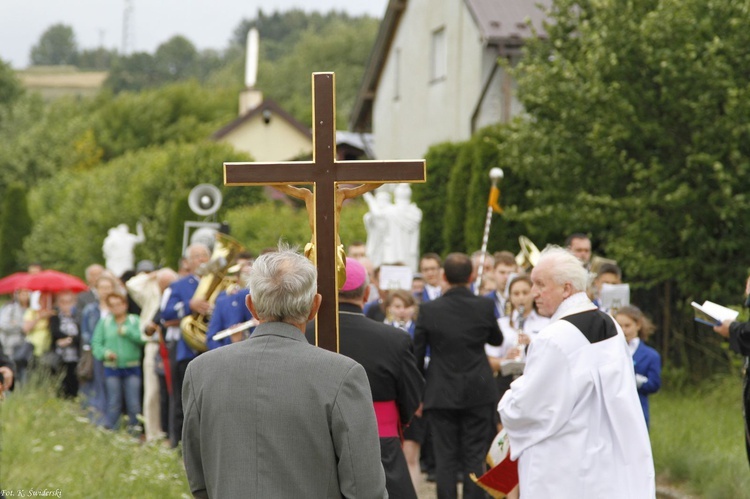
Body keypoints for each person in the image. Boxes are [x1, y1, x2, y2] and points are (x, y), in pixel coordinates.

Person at [182, 247, 387, 498]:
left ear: (251, 306)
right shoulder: (342, 374)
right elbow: (365, 487)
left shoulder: (201, 371)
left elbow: (198, 476)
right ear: (315, 307)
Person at [498, 246, 655, 498]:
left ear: (566, 288)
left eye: (540, 284)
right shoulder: (609, 323)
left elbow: (528, 409)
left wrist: (507, 400)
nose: (533, 293)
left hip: (562, 464)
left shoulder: (553, 338)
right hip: (606, 453)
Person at [306, 259, 423, 498]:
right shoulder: (395, 339)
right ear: (367, 293)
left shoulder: (305, 333)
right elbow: (412, 395)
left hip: (315, 444)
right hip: (380, 444)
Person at [414, 252, 503, 499]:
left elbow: (418, 355)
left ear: (443, 276)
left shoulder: (429, 309)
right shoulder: (484, 305)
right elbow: (497, 339)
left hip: (440, 391)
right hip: (478, 389)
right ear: (472, 276)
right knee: (475, 456)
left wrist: (418, 393)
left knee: (446, 459)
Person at [161, 243, 211, 447]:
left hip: (212, 348)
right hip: (186, 350)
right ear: (188, 263)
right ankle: (179, 443)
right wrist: (189, 306)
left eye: (205, 255)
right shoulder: (179, 285)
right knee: (183, 399)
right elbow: (165, 313)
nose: (201, 259)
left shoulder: (221, 282)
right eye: (196, 256)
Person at [126, 267, 178, 443]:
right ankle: (153, 433)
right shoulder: (151, 293)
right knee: (152, 392)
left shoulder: (174, 295)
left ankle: (169, 432)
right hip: (153, 345)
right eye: (162, 285)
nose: (165, 288)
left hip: (170, 345)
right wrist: (153, 275)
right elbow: (131, 284)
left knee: (170, 391)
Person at [92, 292, 145, 432]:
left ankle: (135, 431)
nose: (116, 308)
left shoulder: (134, 320)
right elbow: (96, 344)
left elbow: (143, 339)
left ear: (125, 305)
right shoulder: (105, 322)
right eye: (112, 305)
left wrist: (128, 332)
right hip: (112, 367)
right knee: (113, 402)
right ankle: (112, 431)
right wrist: (106, 353)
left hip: (132, 366)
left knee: (133, 403)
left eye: (119, 304)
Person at [80, 273, 119, 425]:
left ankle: (111, 420)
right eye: (102, 288)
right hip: (95, 353)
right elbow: (85, 332)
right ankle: (97, 419)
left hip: (113, 354)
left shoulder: (117, 308)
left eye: (108, 287)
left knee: (112, 388)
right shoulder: (90, 309)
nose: (105, 291)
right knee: (96, 386)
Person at [615, 305, 661, 428]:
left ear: (638, 325)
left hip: (638, 410)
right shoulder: (610, 352)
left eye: (627, 326)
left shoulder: (651, 355)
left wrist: (637, 381)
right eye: (619, 326)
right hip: (614, 411)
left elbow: (655, 384)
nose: (623, 330)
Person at [49, 291, 81, 399]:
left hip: (75, 356)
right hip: (60, 356)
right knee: (60, 382)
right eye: (63, 302)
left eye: (69, 302)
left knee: (73, 380)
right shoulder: (55, 317)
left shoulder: (77, 317)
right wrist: (68, 337)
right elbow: (55, 332)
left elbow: (80, 335)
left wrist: (68, 340)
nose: (66, 305)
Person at [485, 251, 518, 318]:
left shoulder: (524, 300)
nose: (506, 277)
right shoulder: (485, 301)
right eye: (502, 272)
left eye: (510, 273)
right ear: (493, 272)